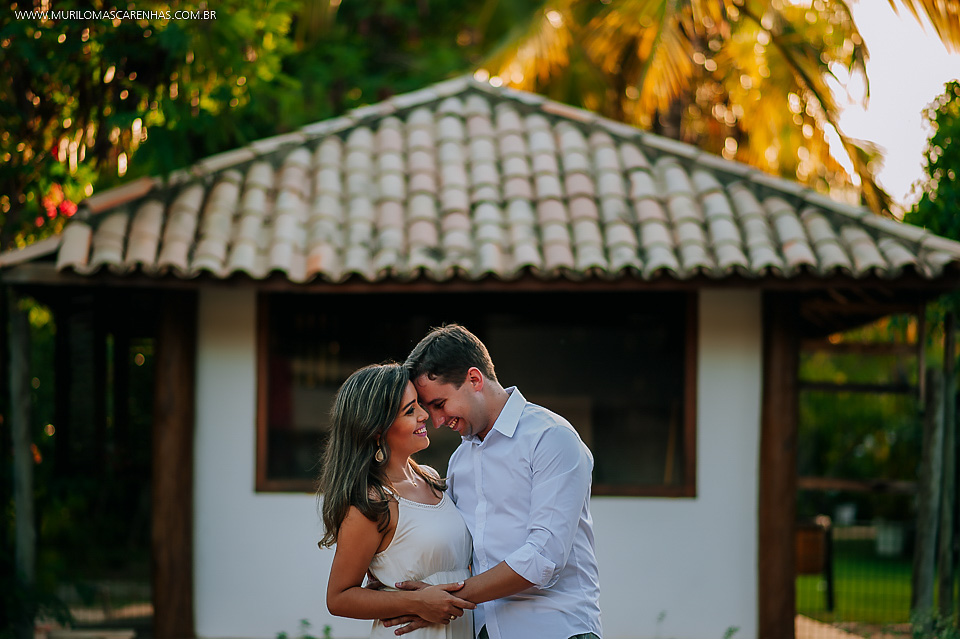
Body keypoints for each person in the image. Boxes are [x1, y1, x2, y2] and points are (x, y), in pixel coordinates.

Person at [389, 324, 602, 639]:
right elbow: (454, 545)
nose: (436, 421)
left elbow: (543, 558)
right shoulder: (460, 460)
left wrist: (446, 598)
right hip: (485, 631)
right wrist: (392, 574)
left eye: (439, 404)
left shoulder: (551, 438)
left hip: (555, 629)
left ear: (474, 379)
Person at [318, 363, 476, 639]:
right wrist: (415, 602)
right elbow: (339, 597)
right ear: (377, 429)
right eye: (410, 411)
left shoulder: (430, 478)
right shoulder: (373, 502)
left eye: (419, 405)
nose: (424, 415)